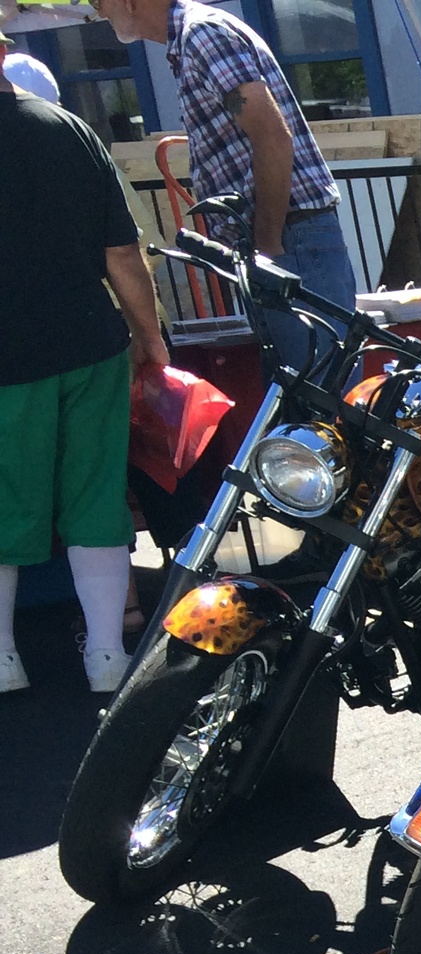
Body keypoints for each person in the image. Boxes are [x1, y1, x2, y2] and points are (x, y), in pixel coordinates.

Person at [0, 29, 167, 694]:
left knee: (4, 504)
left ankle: (4, 660)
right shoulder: (71, 131)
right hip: (89, 346)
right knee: (97, 497)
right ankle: (106, 655)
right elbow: (122, 257)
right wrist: (150, 337)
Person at [89, 0, 355, 371]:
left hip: (291, 240)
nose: (97, 12)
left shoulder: (202, 34)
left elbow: (273, 137)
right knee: (301, 398)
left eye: (97, 1)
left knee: (320, 396)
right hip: (285, 241)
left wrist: (267, 244)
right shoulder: (191, 40)